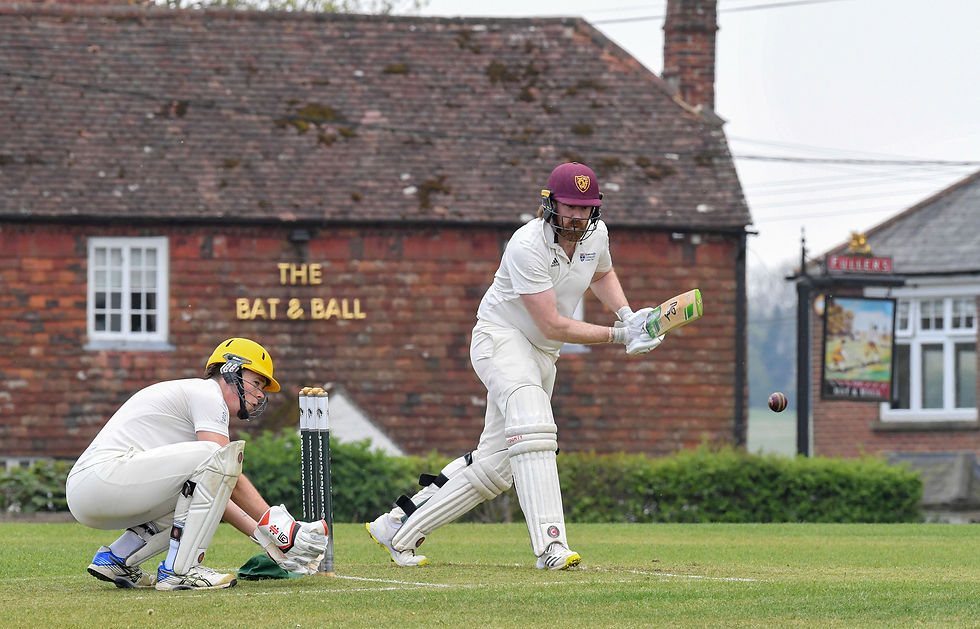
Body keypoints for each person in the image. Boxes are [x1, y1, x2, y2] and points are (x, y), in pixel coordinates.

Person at [366, 162, 663, 571]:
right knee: (535, 425)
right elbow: (552, 322)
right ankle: (551, 547)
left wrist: (629, 314)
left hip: (543, 353)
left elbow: (603, 273)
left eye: (585, 208)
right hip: (501, 338)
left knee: (497, 466)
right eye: (569, 207)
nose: (577, 216)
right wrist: (619, 335)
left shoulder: (598, 236)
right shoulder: (526, 245)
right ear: (550, 203)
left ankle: (397, 527)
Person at [67, 338, 327, 591]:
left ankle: (117, 559)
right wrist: (283, 531)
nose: (259, 395)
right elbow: (222, 467)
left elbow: (216, 494)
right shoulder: (207, 393)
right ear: (230, 370)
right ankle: (181, 571)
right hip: (101, 479)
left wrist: (269, 542)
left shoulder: (198, 403)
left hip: (94, 491)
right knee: (217, 456)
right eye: (257, 382)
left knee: (196, 488)